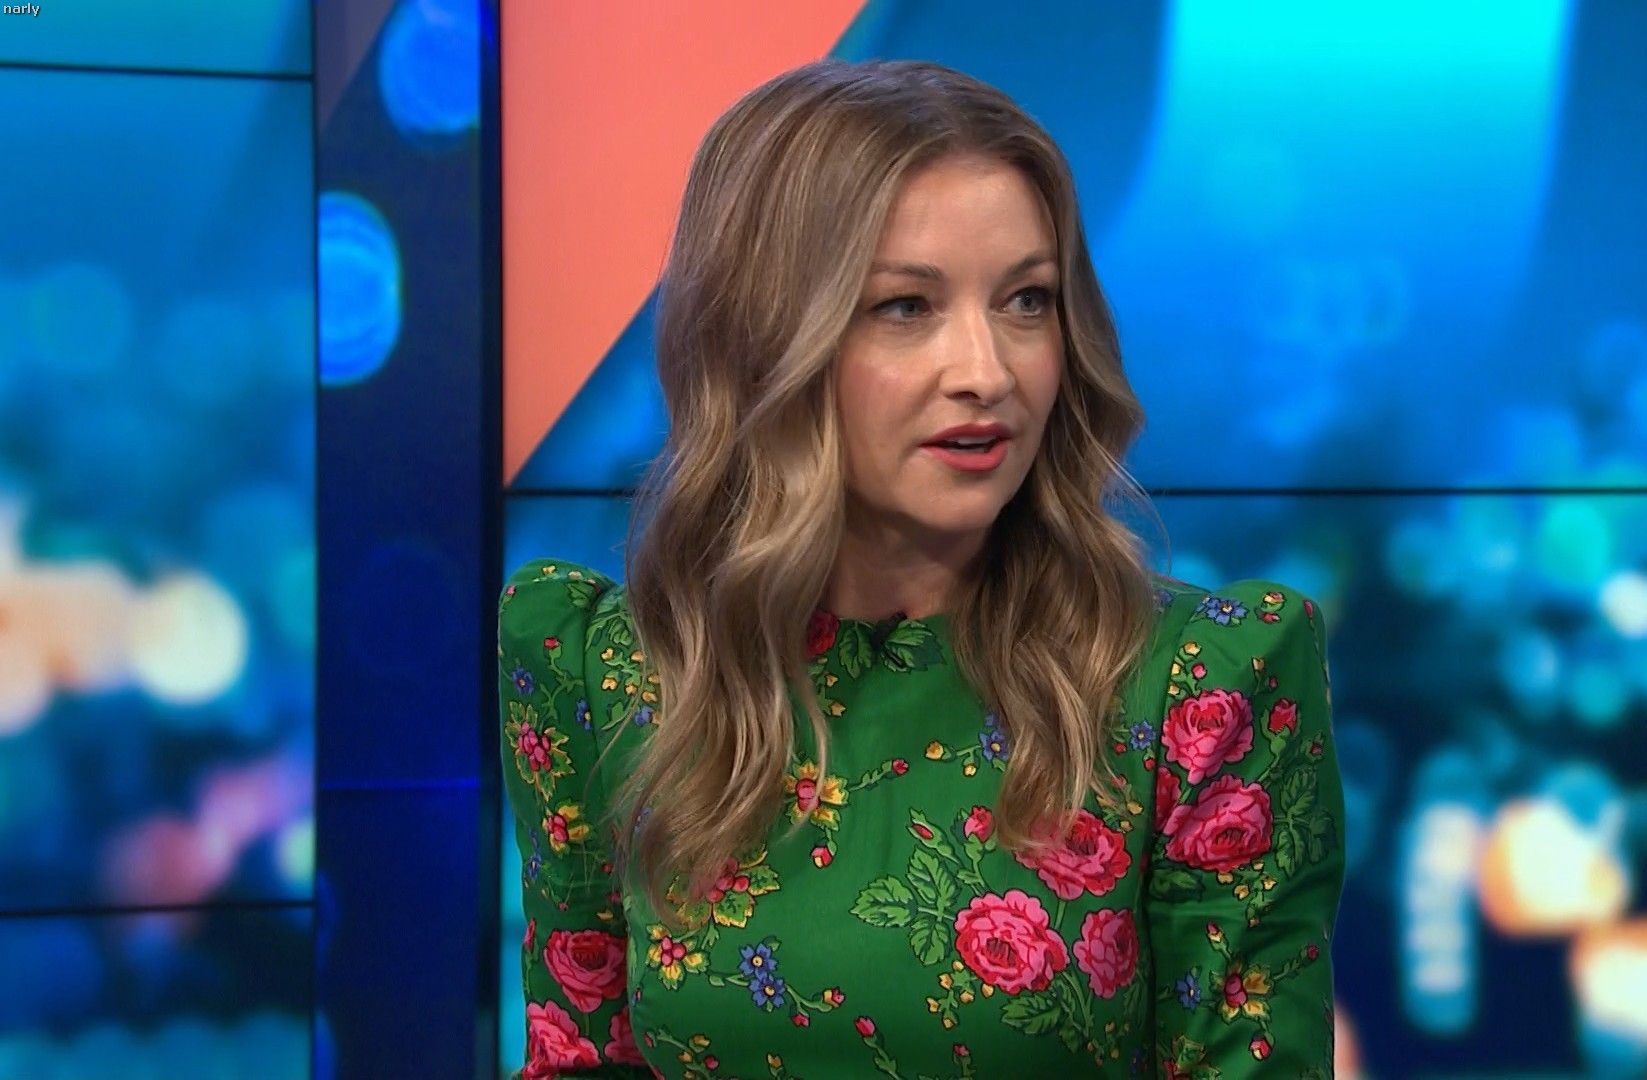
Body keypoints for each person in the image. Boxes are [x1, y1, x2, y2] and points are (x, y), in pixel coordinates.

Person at [498, 57, 1344, 1080]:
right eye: (906, 307)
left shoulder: (1199, 688)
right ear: (765, 336)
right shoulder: (605, 673)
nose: (986, 372)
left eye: (1027, 301)